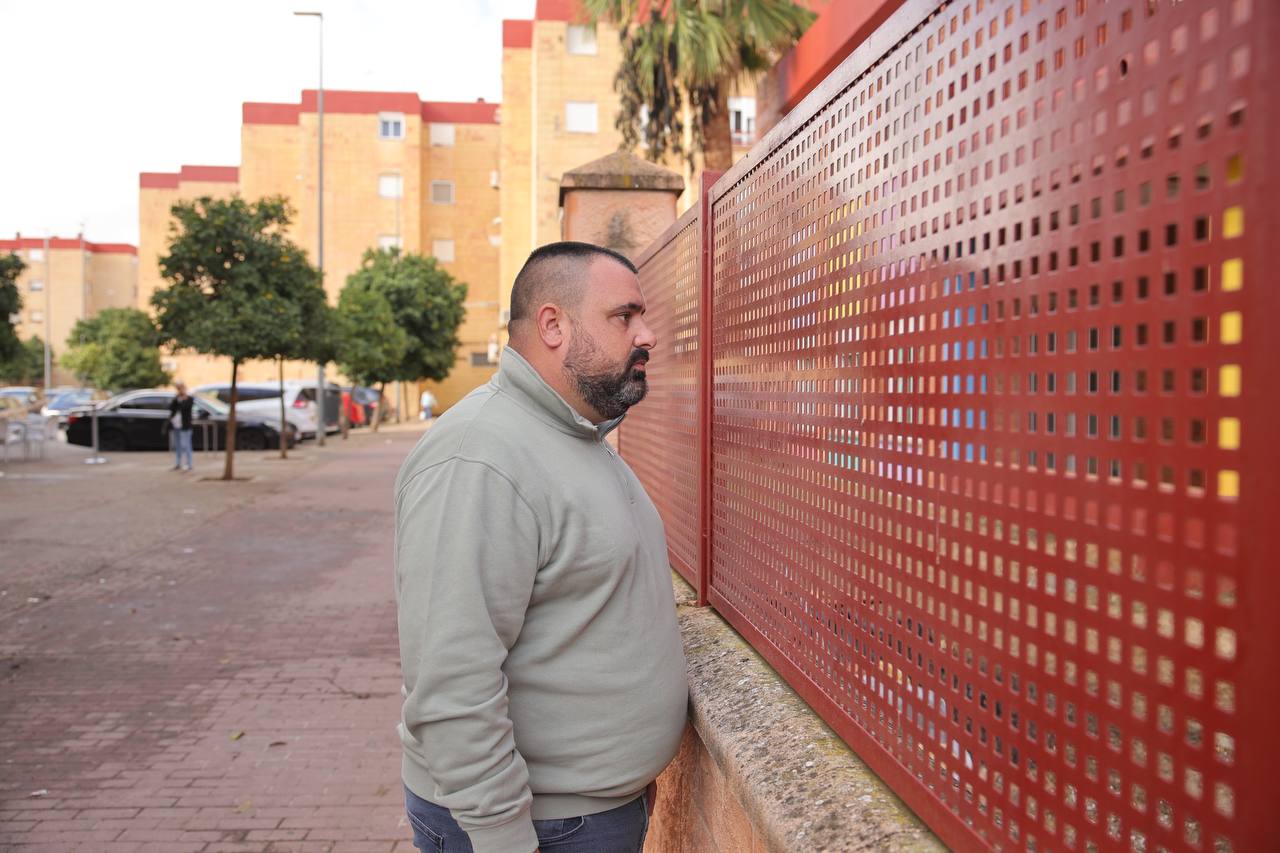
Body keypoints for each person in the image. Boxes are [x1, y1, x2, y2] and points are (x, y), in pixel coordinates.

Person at [394, 242, 686, 853]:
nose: (648, 334)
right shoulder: (479, 458)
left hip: (586, 812)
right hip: (535, 827)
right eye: (624, 316)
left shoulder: (574, 435)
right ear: (553, 324)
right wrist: (502, 837)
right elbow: (451, 684)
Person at [168, 381, 194, 472]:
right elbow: (171, 408)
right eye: (178, 388)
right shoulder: (176, 398)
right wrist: (176, 399)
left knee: (186, 445)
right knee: (177, 445)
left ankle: (189, 464)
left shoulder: (189, 398)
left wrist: (183, 399)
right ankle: (178, 463)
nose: (179, 390)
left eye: (180, 388)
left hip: (185, 426)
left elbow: (186, 408)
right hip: (176, 425)